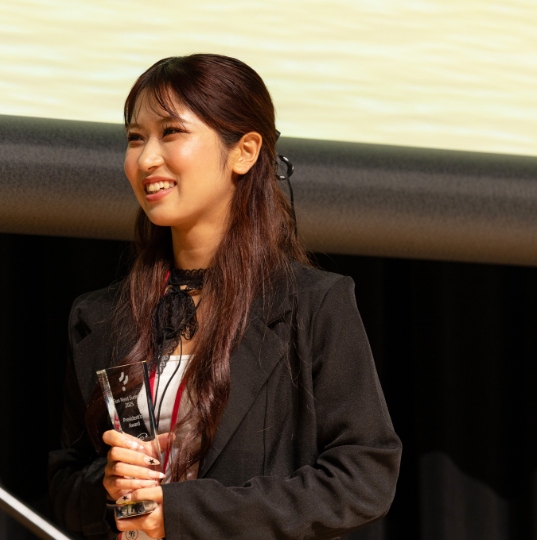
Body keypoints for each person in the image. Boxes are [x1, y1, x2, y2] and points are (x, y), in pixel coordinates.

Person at [48, 54, 401, 540]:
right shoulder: (100, 315)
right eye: (135, 138)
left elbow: (364, 477)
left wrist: (181, 513)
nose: (146, 159)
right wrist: (108, 487)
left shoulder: (314, 305)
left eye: (171, 132)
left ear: (245, 152)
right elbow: (65, 483)